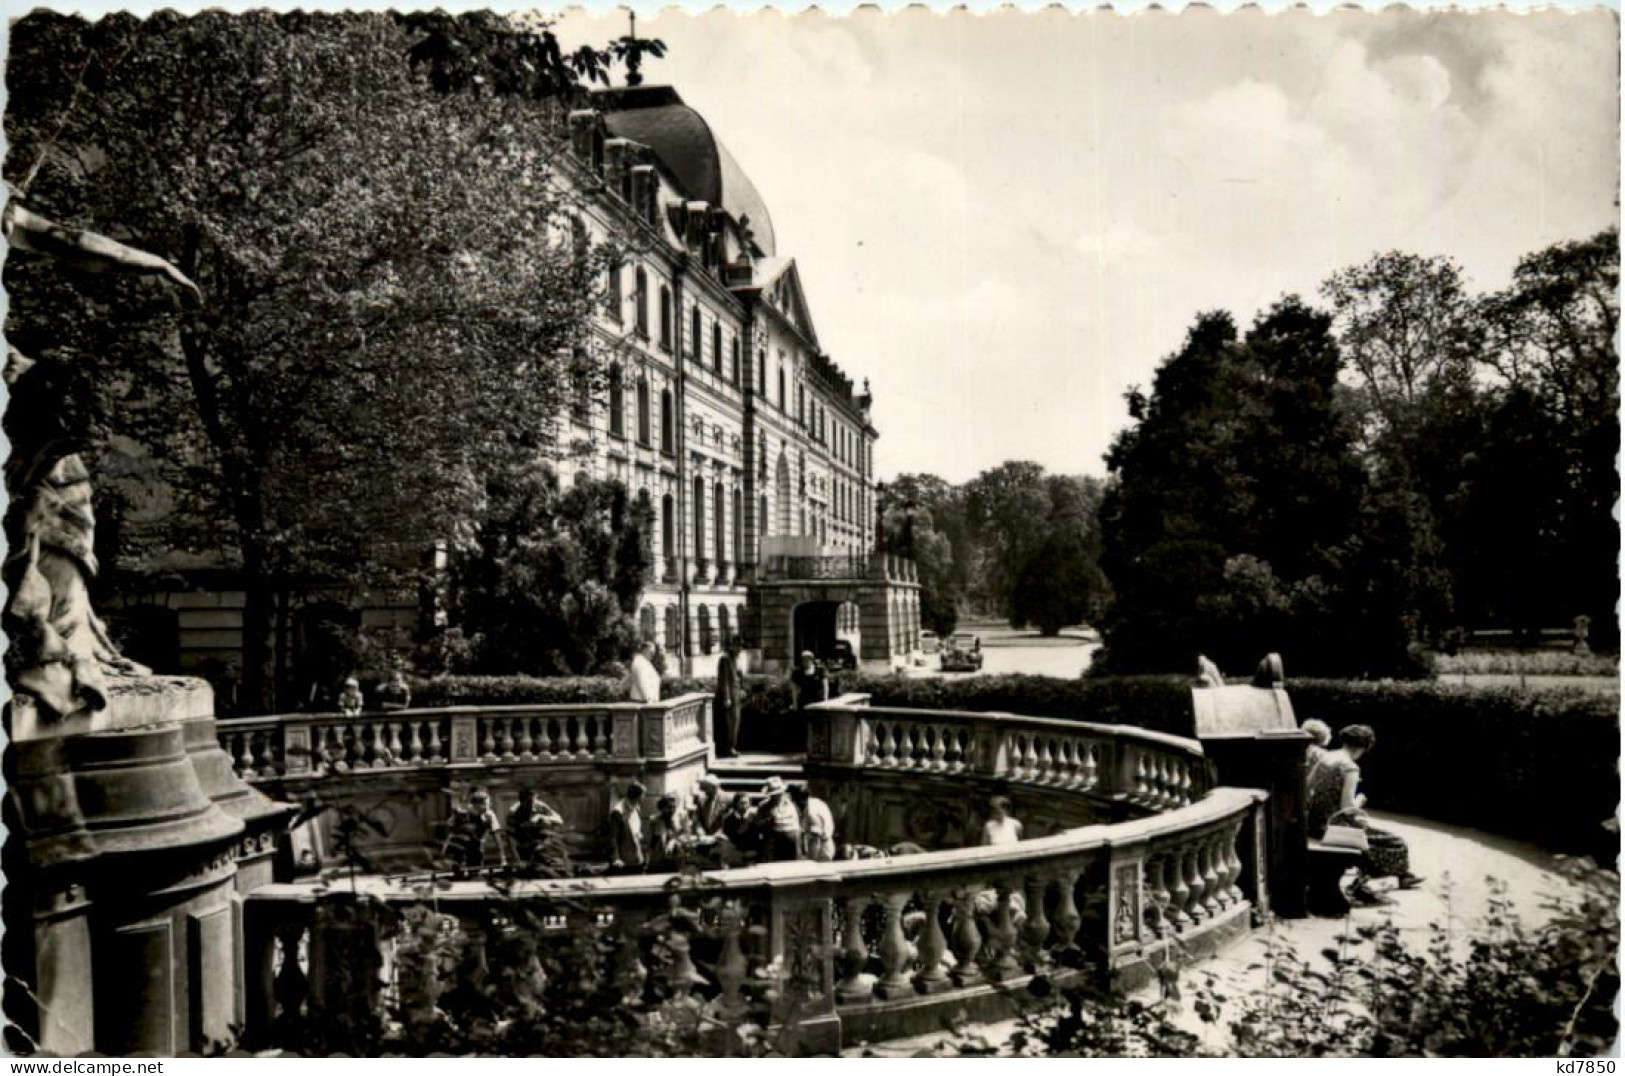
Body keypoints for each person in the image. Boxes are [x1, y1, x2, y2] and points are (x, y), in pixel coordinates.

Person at [1305, 724, 1423, 902]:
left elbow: (1308, 787)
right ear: (1363, 747)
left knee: (1375, 839)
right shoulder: (1350, 767)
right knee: (1396, 842)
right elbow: (1348, 808)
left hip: (1314, 823)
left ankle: (1388, 879)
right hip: (1334, 827)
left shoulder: (1326, 757)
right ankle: (1368, 884)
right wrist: (1360, 800)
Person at [443, 787, 503, 872]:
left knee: (475, 867)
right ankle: (456, 866)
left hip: (476, 846)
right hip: (459, 846)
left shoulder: (489, 815)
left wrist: (502, 857)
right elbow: (449, 827)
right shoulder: (462, 813)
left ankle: (472, 869)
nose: (489, 805)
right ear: (477, 804)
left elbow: (496, 835)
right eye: (487, 803)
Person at [507, 786, 565, 874]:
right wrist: (517, 859)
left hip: (542, 845)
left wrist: (541, 816)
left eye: (534, 801)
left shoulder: (540, 805)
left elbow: (559, 820)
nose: (533, 807)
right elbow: (510, 838)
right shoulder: (514, 811)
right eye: (529, 803)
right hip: (524, 846)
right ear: (522, 802)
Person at [757, 776, 802, 862]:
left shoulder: (791, 804)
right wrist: (769, 819)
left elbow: (799, 820)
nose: (777, 797)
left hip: (792, 840)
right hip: (774, 841)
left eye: (779, 794)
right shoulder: (763, 806)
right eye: (774, 795)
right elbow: (758, 824)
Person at [789, 783, 836, 862]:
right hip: (820, 844)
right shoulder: (812, 802)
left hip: (822, 849)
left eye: (793, 799)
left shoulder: (812, 814)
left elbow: (815, 840)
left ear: (798, 799)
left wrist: (812, 861)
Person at [609, 781, 647, 874]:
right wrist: (616, 858)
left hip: (637, 855)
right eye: (643, 795)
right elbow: (613, 838)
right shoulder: (618, 812)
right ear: (636, 797)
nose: (644, 798)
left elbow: (635, 827)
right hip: (624, 860)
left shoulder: (637, 808)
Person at [646, 792, 691, 872]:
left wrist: (673, 841)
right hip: (659, 860)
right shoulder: (655, 820)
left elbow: (687, 835)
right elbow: (650, 843)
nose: (672, 810)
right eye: (669, 807)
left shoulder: (682, 817)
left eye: (674, 807)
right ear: (662, 807)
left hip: (678, 859)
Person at [715, 637, 744, 757]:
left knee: (736, 722)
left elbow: (740, 677)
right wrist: (726, 697)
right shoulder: (725, 660)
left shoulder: (736, 660)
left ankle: (732, 746)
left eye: (740, 647)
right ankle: (728, 748)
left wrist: (742, 689)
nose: (739, 649)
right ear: (732, 646)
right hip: (729, 696)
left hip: (736, 695)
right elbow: (724, 680)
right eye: (737, 646)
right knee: (729, 723)